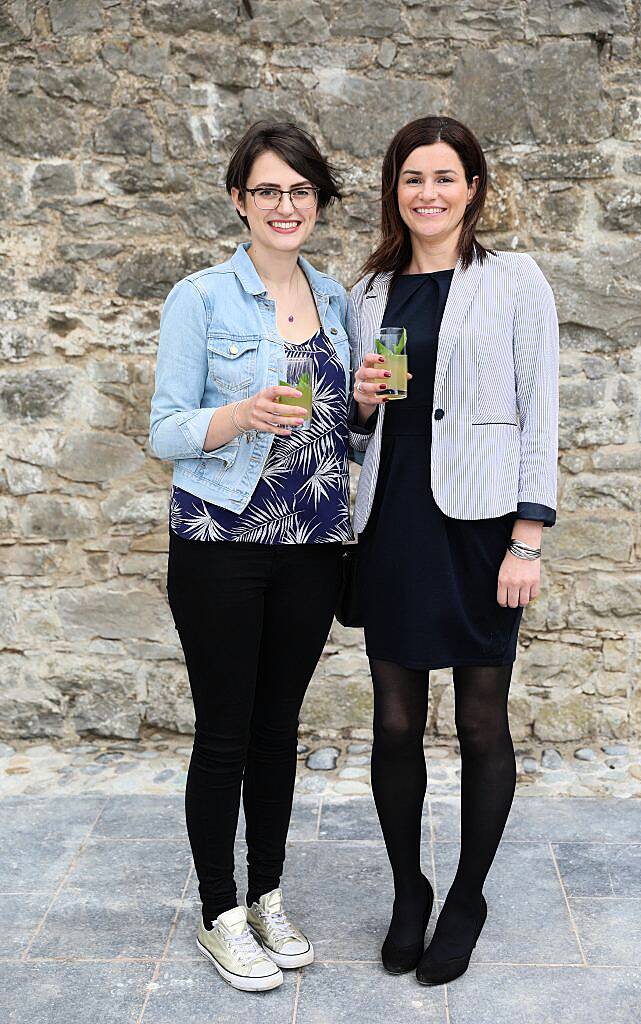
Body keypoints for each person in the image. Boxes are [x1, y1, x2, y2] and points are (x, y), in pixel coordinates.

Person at [349, 115, 559, 986]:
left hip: (480, 530)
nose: (427, 193)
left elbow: (539, 409)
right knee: (395, 721)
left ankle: (467, 897)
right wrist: (360, 407)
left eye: (444, 177)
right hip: (391, 521)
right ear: (394, 189)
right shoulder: (367, 290)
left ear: (473, 186)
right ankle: (409, 890)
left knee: (480, 720)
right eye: (411, 178)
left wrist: (527, 540)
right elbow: (357, 427)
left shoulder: (512, 281)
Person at [149, 121, 352, 992]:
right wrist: (237, 416)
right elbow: (165, 429)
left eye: (300, 190)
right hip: (221, 544)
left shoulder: (337, 299)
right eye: (267, 190)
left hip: (313, 543)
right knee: (224, 734)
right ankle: (218, 911)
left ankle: (266, 893)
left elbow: (340, 425)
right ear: (239, 199)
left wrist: (369, 405)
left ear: (317, 203)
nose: (285, 205)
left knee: (279, 733)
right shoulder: (200, 298)